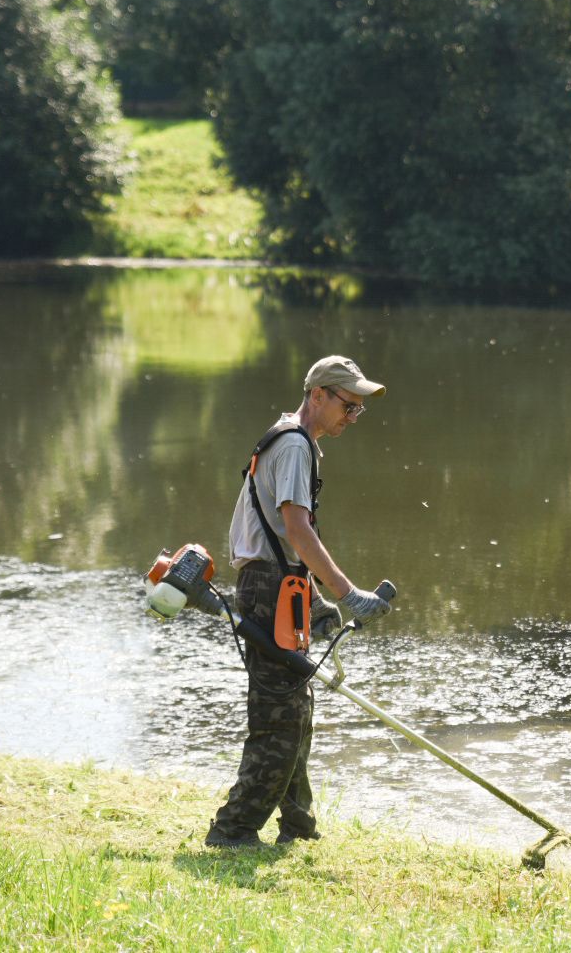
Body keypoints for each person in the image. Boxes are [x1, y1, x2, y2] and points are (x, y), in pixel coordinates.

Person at [205, 354, 396, 849]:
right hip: (268, 589)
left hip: (280, 585)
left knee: (297, 711)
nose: (352, 418)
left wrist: (311, 599)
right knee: (278, 719)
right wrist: (347, 593)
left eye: (358, 410)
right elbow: (297, 530)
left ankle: (298, 825)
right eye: (347, 406)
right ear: (317, 394)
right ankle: (233, 830)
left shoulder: (295, 439)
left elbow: (281, 539)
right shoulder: (294, 446)